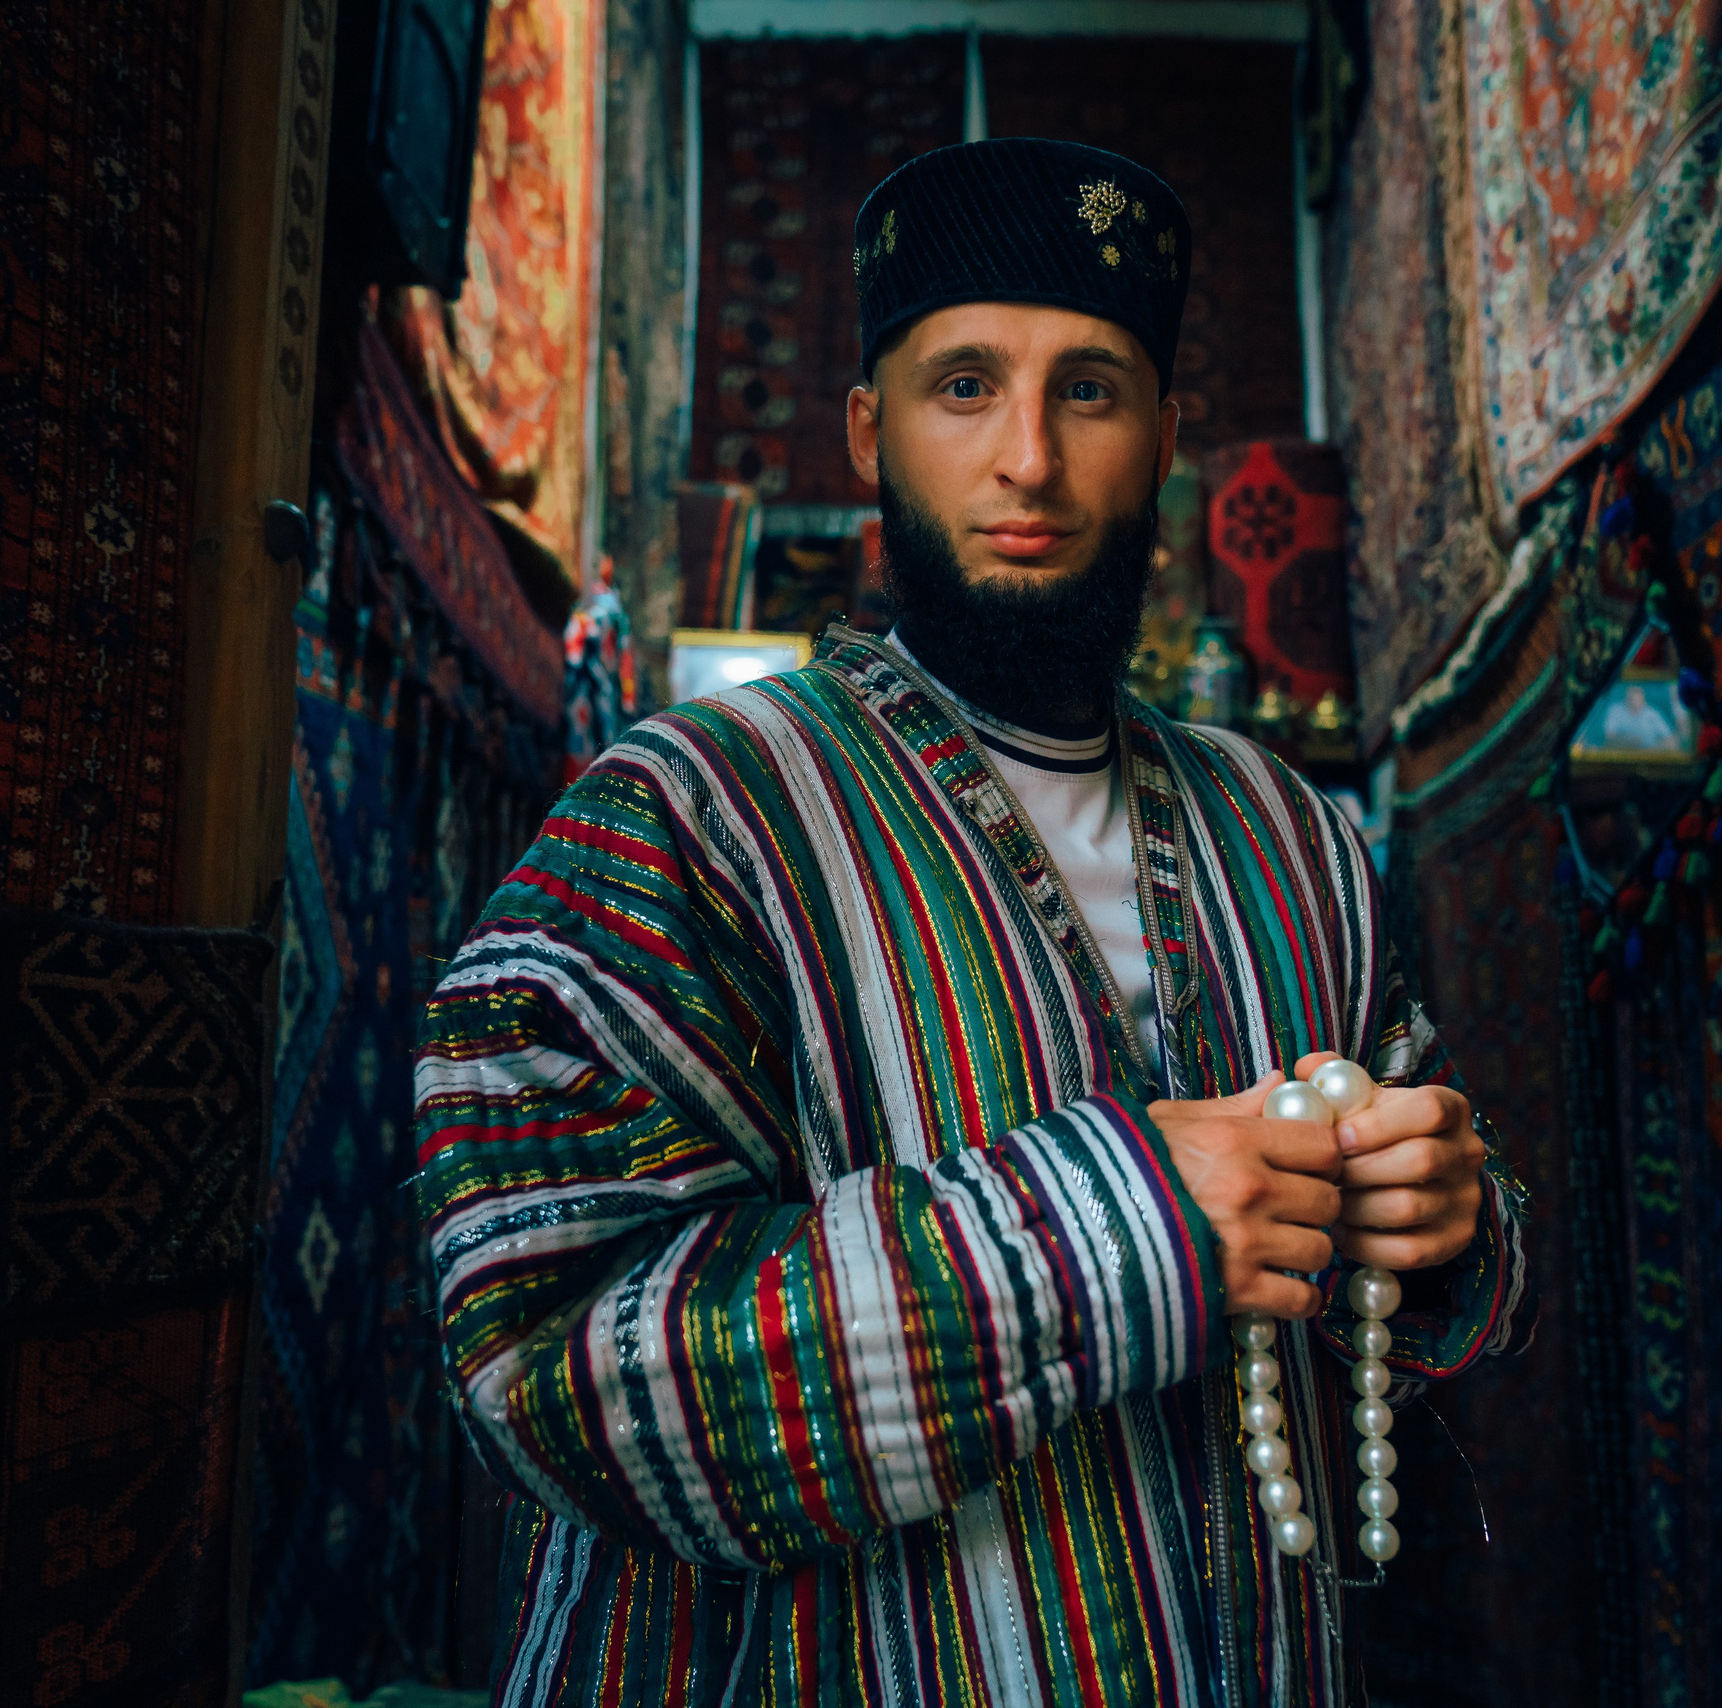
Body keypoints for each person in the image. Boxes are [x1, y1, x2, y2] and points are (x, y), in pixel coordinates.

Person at [415, 139, 1534, 1707]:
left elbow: (1405, 1218)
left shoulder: (1296, 838)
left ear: (1163, 436)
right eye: (964, 388)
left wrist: (1440, 1218)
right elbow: (542, 1366)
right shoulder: (684, 811)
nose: (1028, 459)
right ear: (872, 429)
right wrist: (1118, 1230)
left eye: (1089, 389)